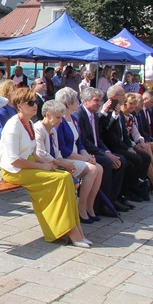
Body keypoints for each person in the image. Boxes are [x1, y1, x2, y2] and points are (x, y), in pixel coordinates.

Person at [0, 87, 92, 248]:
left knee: (66, 178)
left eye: (36, 102)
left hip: (27, 165)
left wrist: (51, 164)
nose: (35, 105)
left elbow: (34, 153)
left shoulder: (28, 123)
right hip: (13, 171)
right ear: (19, 105)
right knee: (61, 179)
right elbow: (14, 160)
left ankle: (73, 229)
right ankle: (69, 231)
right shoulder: (13, 126)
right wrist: (42, 166)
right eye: (30, 103)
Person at [74, 88, 129, 215]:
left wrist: (107, 151)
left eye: (100, 101)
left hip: (95, 149)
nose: (99, 104)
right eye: (96, 101)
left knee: (120, 160)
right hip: (85, 152)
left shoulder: (93, 115)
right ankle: (101, 205)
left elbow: (97, 138)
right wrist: (104, 154)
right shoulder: (79, 115)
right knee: (106, 162)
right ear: (86, 101)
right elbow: (85, 141)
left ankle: (112, 199)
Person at [54, 88, 103, 223]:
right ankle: (81, 208)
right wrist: (84, 159)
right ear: (68, 103)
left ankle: (89, 206)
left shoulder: (74, 119)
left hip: (77, 156)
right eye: (76, 100)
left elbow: (80, 143)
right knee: (92, 170)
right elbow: (63, 149)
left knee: (98, 168)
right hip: (66, 158)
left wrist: (88, 156)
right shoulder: (60, 121)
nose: (78, 103)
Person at [98, 85, 150, 203]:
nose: (124, 98)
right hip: (113, 147)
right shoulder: (106, 111)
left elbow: (125, 135)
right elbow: (107, 132)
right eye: (122, 95)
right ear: (114, 96)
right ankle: (122, 194)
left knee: (144, 157)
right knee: (130, 161)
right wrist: (127, 148)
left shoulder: (119, 111)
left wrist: (130, 147)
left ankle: (136, 187)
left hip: (122, 145)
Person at [123, 93, 153, 197]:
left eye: (134, 103)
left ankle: (151, 182)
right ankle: (152, 181)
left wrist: (141, 142)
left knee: (147, 149)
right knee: (144, 155)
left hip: (133, 143)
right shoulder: (120, 116)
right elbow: (123, 137)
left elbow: (136, 133)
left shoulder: (131, 116)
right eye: (130, 103)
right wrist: (135, 144)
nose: (133, 106)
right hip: (125, 145)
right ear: (124, 104)